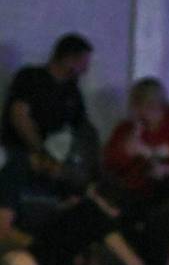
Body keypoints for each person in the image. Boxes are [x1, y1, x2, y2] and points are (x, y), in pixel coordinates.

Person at [0, 33, 97, 234]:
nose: (86, 69)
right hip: (19, 149)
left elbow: (81, 128)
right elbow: (20, 116)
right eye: (83, 63)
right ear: (68, 58)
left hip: (55, 156)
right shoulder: (31, 77)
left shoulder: (72, 91)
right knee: (17, 166)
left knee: (79, 180)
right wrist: (41, 152)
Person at [104, 77, 169, 203]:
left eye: (143, 106)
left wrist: (166, 169)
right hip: (129, 191)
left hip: (165, 192)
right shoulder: (125, 129)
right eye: (135, 105)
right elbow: (110, 161)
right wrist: (127, 148)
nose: (137, 111)